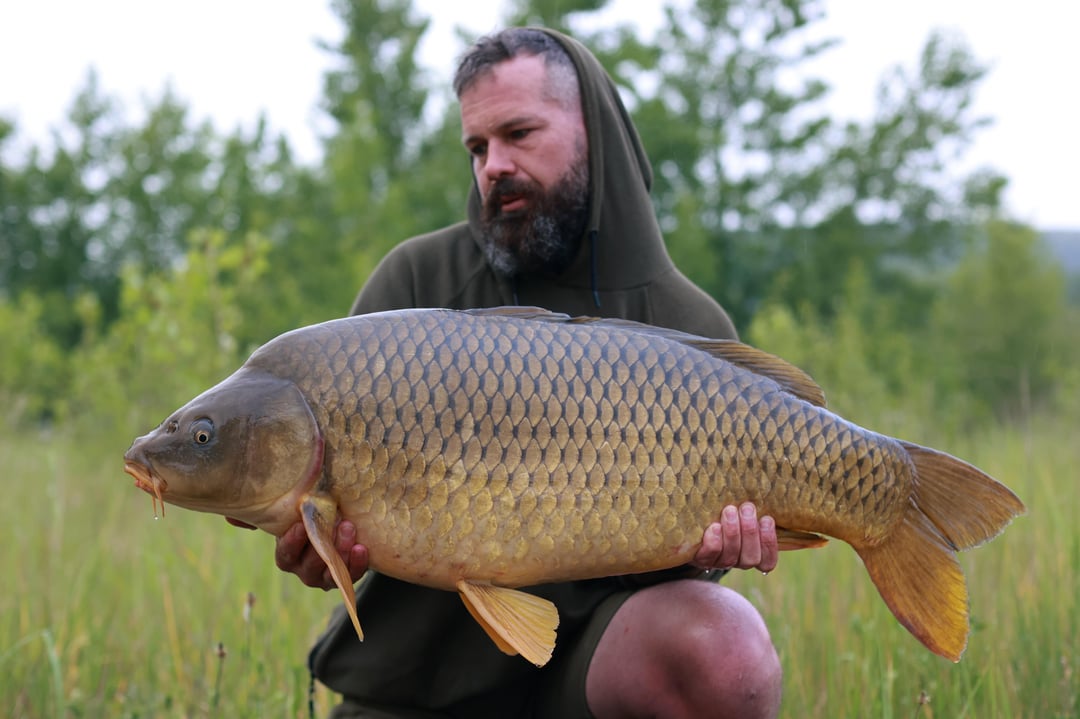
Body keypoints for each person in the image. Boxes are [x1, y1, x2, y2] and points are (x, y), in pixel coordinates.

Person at [272, 27, 782, 718]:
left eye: (518, 134)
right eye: (477, 148)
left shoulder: (686, 322)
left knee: (727, 652)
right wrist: (320, 550)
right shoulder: (416, 284)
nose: (493, 166)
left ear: (593, 135)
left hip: (593, 676)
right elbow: (325, 512)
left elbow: (686, 575)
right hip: (421, 689)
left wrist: (715, 552)